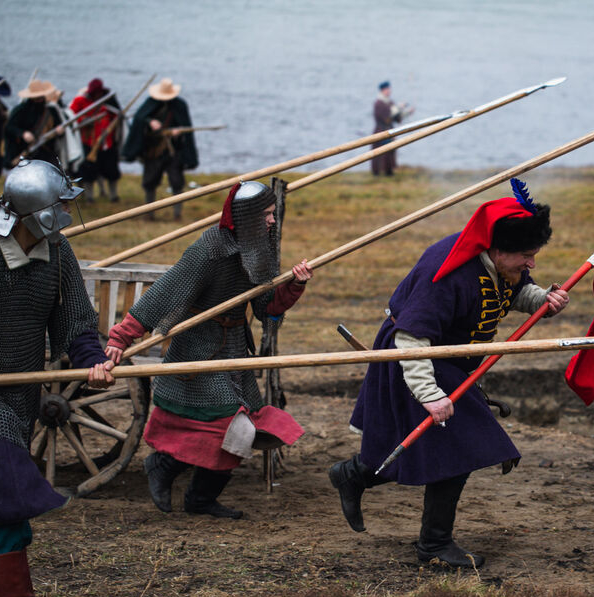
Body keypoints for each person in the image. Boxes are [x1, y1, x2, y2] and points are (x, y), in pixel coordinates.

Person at [329, 180, 570, 568]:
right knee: (458, 446)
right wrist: (429, 394)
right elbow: (411, 338)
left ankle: (354, 475)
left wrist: (544, 300)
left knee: (434, 445)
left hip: (449, 361)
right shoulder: (446, 272)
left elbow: (511, 291)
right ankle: (434, 545)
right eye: (526, 255)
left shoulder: (498, 261)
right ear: (497, 247)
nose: (532, 264)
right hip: (414, 358)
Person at [0, 159, 115, 597]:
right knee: (5, 502)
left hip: (18, 400)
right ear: (38, 212)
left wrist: (93, 361)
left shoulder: (57, 254)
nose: (66, 211)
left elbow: (76, 324)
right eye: (61, 204)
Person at [105, 181, 312, 520]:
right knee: (233, 426)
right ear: (246, 218)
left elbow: (266, 309)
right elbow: (165, 293)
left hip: (232, 349)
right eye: (267, 215)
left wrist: (295, 284)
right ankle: (163, 464)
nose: (273, 221)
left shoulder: (259, 249)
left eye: (273, 214)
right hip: (197, 349)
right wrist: (122, 337)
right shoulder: (210, 248)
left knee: (242, 431)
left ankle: (200, 498)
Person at [121, 78, 198, 220]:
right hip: (153, 150)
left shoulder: (180, 105)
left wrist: (178, 131)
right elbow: (139, 119)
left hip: (173, 150)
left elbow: (185, 126)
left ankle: (177, 214)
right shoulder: (150, 104)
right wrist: (149, 121)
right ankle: (149, 213)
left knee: (176, 182)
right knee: (150, 182)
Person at [70, 78, 122, 202]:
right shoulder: (80, 101)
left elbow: (117, 115)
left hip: (107, 142)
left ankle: (113, 195)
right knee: (88, 171)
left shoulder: (108, 101)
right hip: (88, 142)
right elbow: (72, 117)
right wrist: (86, 120)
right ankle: (89, 197)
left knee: (111, 169)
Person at [3, 79, 65, 167]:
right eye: (37, 98)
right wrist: (23, 134)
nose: (39, 100)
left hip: (46, 152)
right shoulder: (21, 110)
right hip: (25, 150)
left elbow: (58, 126)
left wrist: (60, 131)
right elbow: (9, 128)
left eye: (41, 98)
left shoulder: (51, 111)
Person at [371, 81, 413, 177]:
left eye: (389, 89)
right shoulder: (378, 103)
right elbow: (387, 115)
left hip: (389, 130)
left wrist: (407, 112)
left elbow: (396, 117)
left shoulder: (389, 102)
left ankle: (388, 172)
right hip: (380, 130)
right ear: (382, 90)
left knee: (390, 152)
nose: (389, 91)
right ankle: (377, 173)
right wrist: (399, 107)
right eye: (387, 89)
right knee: (380, 152)